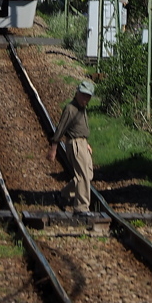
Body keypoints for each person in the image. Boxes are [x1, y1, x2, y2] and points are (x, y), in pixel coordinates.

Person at [47, 79, 95, 215]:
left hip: (83, 144)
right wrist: (54, 148)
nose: (86, 98)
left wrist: (86, 143)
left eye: (88, 96)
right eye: (84, 95)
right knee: (83, 176)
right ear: (77, 93)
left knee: (88, 175)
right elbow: (60, 129)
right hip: (75, 144)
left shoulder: (81, 108)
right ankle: (81, 208)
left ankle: (63, 195)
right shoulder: (71, 108)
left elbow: (80, 128)